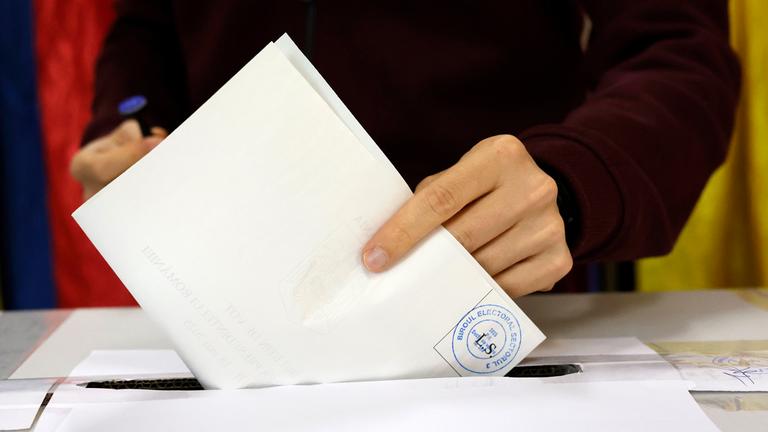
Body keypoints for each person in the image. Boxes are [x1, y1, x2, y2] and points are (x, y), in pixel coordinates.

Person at [70, 1, 740, 297]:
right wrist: (129, 123)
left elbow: (677, 49)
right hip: (231, 300)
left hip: (498, 292)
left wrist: (571, 180)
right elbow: (146, 27)